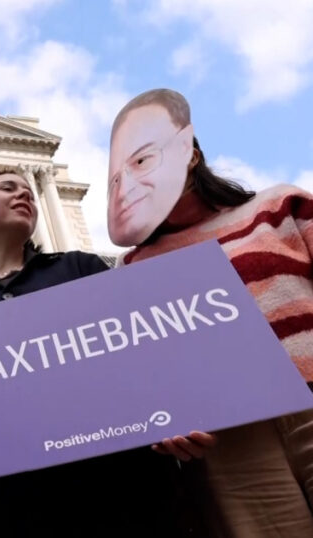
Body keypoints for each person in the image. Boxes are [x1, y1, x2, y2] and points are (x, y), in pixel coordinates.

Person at [0, 169, 212, 537]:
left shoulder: (80, 269)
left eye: (29, 191)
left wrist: (174, 415)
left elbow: (142, 357)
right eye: (8, 188)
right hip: (13, 509)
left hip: (125, 492)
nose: (25, 194)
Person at [109, 88, 313, 537]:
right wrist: (163, 420)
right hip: (234, 442)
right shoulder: (132, 269)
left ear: (190, 154)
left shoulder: (277, 206)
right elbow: (146, 371)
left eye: (145, 159)